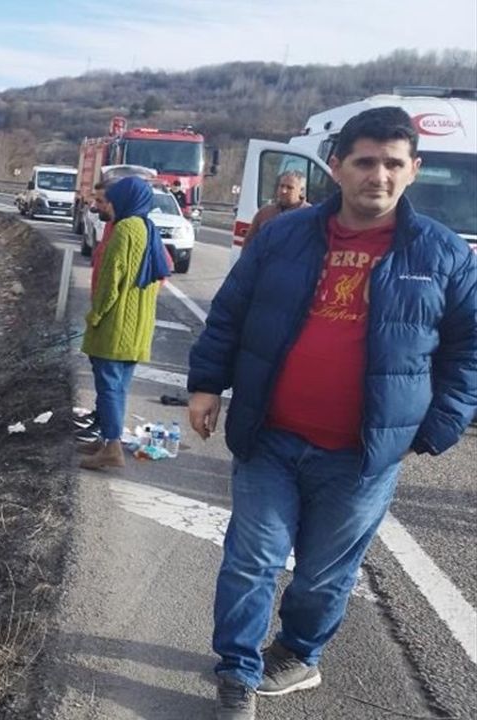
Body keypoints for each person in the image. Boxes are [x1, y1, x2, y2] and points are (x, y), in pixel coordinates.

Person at [187, 107, 477, 720]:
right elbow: (231, 313)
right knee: (252, 559)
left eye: (394, 163)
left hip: (362, 457)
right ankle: (237, 673)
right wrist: (207, 384)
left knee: (322, 577)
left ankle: (298, 651)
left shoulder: (444, 255)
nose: (379, 175)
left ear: (413, 170)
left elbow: (468, 349)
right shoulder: (283, 236)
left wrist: (438, 426)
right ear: (338, 166)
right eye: (365, 161)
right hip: (271, 437)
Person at [78, 176, 171, 470]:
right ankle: (107, 439)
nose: (107, 204)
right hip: (139, 327)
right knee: (119, 386)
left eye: (112, 199)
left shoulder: (123, 231)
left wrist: (96, 315)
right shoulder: (147, 227)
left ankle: (112, 445)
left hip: (116, 326)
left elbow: (110, 284)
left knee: (108, 387)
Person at [241, 170, 309, 248]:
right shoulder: (265, 212)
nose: (283, 191)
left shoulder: (309, 215)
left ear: (301, 190)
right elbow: (249, 242)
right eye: (281, 186)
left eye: (289, 187)